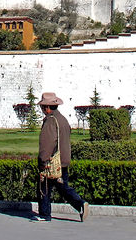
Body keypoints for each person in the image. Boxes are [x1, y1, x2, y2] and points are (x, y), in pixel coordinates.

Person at [32, 92, 89, 222]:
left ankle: (44, 215)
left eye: (42, 107)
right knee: (63, 187)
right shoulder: (62, 119)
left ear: (47, 107)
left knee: (44, 188)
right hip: (63, 160)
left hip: (51, 162)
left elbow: (47, 143)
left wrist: (42, 161)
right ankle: (80, 204)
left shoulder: (50, 121)